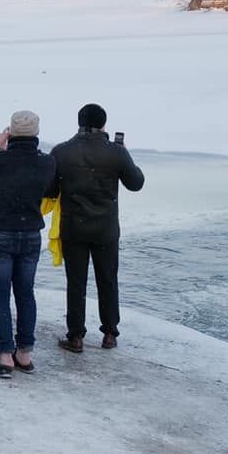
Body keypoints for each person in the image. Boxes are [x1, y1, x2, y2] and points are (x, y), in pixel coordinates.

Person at [45, 102, 145, 352]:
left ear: (80, 122)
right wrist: (125, 154)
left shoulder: (61, 151)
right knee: (108, 280)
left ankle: (76, 336)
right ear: (103, 124)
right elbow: (136, 183)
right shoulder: (116, 152)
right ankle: (110, 333)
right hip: (105, 228)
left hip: (74, 227)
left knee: (76, 283)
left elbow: (50, 190)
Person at [0, 112, 49, 377]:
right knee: (26, 293)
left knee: (0, 295)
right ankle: (24, 354)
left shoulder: (0, 159)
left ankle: (5, 356)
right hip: (31, 234)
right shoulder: (46, 162)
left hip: (0, 232)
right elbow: (52, 190)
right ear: (36, 133)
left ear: (11, 132)